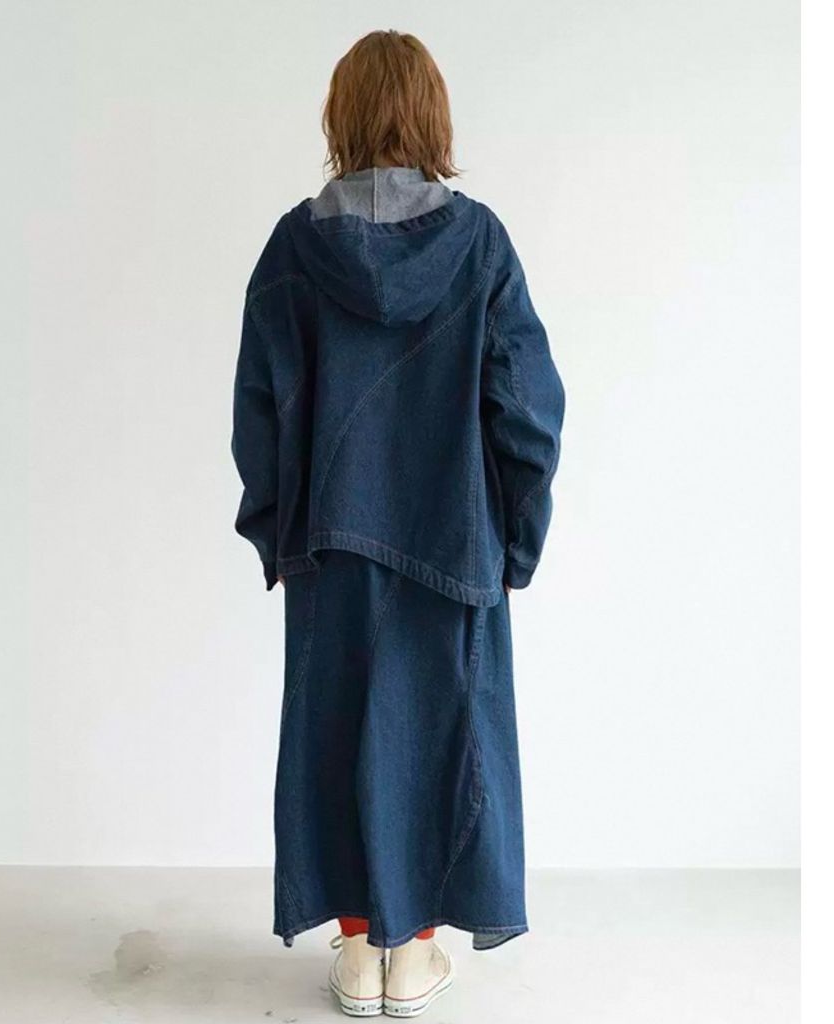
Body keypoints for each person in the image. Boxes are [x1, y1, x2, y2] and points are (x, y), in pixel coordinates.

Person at [232, 29, 565, 1019]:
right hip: (452, 540)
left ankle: (355, 950)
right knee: (444, 737)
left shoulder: (294, 247)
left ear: (339, 117)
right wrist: (514, 541)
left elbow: (259, 409)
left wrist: (277, 530)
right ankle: (412, 954)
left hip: (329, 541)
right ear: (432, 118)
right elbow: (528, 412)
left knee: (335, 734)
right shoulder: (480, 244)